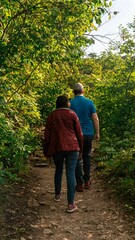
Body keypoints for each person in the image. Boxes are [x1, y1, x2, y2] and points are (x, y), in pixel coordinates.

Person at [43, 95, 83, 213]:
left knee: (59, 170)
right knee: (70, 173)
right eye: (68, 102)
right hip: (72, 147)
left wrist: (46, 151)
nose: (70, 103)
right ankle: (71, 204)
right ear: (66, 103)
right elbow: (79, 133)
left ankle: (57, 195)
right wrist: (81, 149)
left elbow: (47, 136)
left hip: (57, 147)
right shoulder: (72, 114)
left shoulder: (52, 116)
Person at [70, 83, 100, 192]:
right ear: (83, 91)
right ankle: (87, 180)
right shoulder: (89, 102)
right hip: (88, 134)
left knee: (77, 158)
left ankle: (79, 183)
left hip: (75, 135)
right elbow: (95, 118)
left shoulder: (70, 103)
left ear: (73, 92)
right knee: (87, 156)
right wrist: (97, 133)